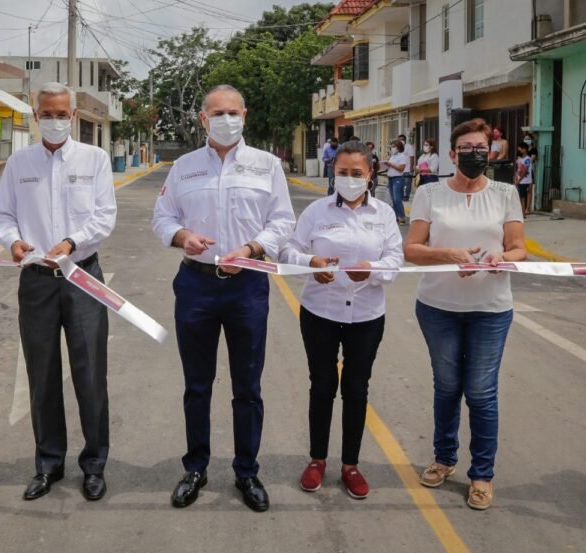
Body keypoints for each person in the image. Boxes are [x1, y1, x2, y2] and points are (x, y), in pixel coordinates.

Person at [152, 84, 295, 513]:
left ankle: (246, 471)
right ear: (203, 118)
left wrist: (251, 250)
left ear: (245, 115)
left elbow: (283, 221)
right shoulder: (184, 167)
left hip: (247, 287)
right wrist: (181, 236)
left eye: (233, 112)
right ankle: (195, 467)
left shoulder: (267, 165)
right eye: (218, 112)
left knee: (247, 387)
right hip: (195, 285)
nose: (226, 119)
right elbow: (163, 217)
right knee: (197, 385)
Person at [0, 82, 116, 502]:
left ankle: (94, 465)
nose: (56, 120)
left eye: (63, 114)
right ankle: (48, 464)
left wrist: (70, 243)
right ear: (35, 115)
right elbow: (4, 214)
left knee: (90, 375)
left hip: (82, 277)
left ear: (74, 117)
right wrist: (12, 242)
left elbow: (104, 218)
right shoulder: (19, 163)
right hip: (37, 281)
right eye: (48, 113)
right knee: (41, 376)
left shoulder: (94, 160)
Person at [404, 118, 526, 510]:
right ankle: (444, 458)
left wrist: (500, 257)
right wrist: (449, 254)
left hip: (491, 309)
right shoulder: (429, 193)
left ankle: (482, 475)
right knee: (446, 386)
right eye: (467, 148)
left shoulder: (507, 193)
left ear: (489, 151)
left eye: (482, 147)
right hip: (439, 308)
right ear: (453, 154)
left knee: (481, 393)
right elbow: (413, 249)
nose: (476, 153)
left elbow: (519, 248)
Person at [279, 141, 403, 500]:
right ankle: (317, 459)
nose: (349, 179)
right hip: (321, 311)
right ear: (335, 173)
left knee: (356, 388)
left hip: (366, 315)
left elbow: (395, 258)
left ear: (370, 175)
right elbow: (289, 250)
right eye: (343, 173)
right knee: (321, 386)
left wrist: (373, 270)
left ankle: (351, 465)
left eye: (357, 173)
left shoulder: (383, 214)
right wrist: (311, 264)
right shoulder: (316, 212)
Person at [380, 140, 408, 225]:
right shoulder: (392, 157)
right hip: (391, 179)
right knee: (393, 199)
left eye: (394, 146)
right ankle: (396, 216)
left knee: (397, 199)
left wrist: (390, 164)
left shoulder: (402, 156)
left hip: (398, 179)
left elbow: (401, 168)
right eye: (392, 147)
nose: (392, 148)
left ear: (398, 147)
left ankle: (402, 217)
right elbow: (391, 166)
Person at [515, 141, 533, 216]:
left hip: (524, 181)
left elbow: (525, 171)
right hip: (520, 180)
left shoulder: (527, 159)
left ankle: (523, 214)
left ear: (525, 149)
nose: (519, 150)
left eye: (521, 148)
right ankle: (522, 213)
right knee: (520, 197)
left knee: (522, 197)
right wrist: (516, 177)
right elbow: (518, 169)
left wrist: (519, 180)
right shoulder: (520, 158)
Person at [522, 132, 537, 213]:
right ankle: (522, 208)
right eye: (525, 139)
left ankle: (527, 209)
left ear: (531, 140)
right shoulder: (522, 150)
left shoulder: (533, 149)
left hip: (530, 170)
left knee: (529, 190)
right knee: (522, 190)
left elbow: (532, 159)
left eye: (528, 139)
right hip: (521, 170)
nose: (527, 140)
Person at [398, 133, 415, 201]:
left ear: (405, 140)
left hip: (407, 168)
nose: (401, 141)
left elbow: (412, 157)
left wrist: (411, 167)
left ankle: (406, 196)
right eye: (400, 140)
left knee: (407, 183)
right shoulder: (398, 147)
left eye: (402, 139)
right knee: (401, 184)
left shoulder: (409, 146)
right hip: (399, 169)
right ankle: (401, 195)